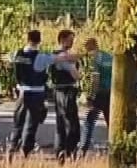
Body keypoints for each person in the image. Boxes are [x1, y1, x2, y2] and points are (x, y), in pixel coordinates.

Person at [9, 29, 49, 156]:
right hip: (37, 92)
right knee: (31, 123)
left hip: (22, 91)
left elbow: (15, 72)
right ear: (39, 40)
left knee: (18, 121)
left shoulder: (18, 54)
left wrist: (18, 85)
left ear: (28, 39)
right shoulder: (41, 56)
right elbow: (45, 75)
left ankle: (13, 145)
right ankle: (26, 149)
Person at [48, 28, 81, 158]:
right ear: (62, 40)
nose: (72, 42)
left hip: (58, 91)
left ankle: (60, 151)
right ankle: (68, 150)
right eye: (70, 40)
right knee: (71, 124)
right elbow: (75, 74)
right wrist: (80, 75)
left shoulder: (56, 54)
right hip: (66, 91)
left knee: (61, 123)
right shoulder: (63, 56)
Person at [80, 36, 113, 155]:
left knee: (89, 121)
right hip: (112, 93)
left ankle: (83, 149)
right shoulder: (109, 56)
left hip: (99, 93)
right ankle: (115, 147)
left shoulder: (93, 58)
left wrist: (91, 96)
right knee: (112, 122)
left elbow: (95, 79)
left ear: (90, 46)